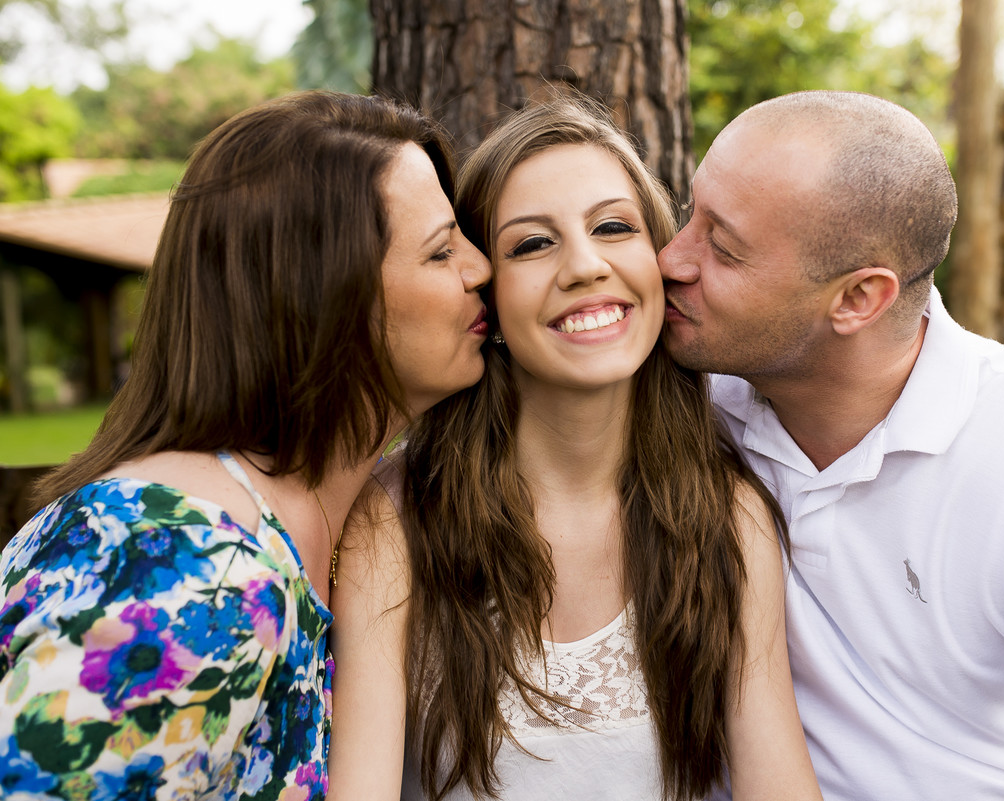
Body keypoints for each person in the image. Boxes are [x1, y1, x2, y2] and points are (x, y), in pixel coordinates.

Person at [659, 89, 1004, 800]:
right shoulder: (684, 398)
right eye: (690, 214)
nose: (670, 258)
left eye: (723, 248)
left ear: (858, 299)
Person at [0, 90, 491, 800]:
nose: (480, 267)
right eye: (441, 250)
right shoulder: (181, 568)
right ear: (323, 298)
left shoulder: (327, 520)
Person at [327, 95, 823, 801]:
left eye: (613, 227)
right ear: (486, 296)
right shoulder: (397, 518)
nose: (585, 266)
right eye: (533, 244)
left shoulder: (725, 513)